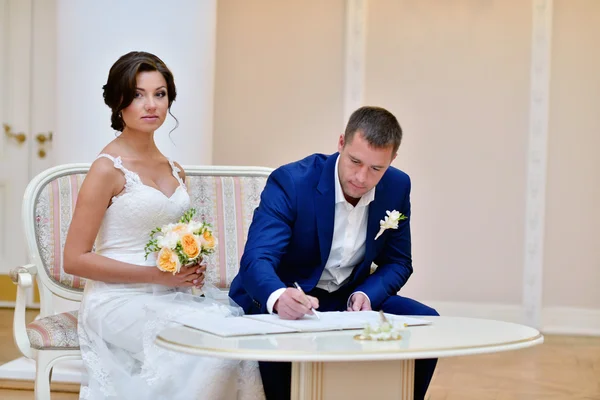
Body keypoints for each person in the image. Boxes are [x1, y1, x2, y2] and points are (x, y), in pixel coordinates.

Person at [63, 51, 264, 400]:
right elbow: (74, 259)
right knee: (202, 352)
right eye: (139, 94)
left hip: (172, 294)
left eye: (160, 93)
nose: (151, 104)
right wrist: (157, 276)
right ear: (118, 102)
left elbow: (165, 239)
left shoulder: (174, 168)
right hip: (116, 301)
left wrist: (187, 265)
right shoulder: (107, 169)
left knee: (232, 341)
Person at [229, 106, 439, 400]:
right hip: (292, 296)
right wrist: (279, 297)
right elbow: (256, 259)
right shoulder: (292, 182)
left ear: (392, 160)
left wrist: (365, 295)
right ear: (341, 143)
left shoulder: (397, 185)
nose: (362, 178)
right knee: (280, 342)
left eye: (376, 168)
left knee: (426, 324)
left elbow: (399, 261)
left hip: (349, 297)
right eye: (355, 161)